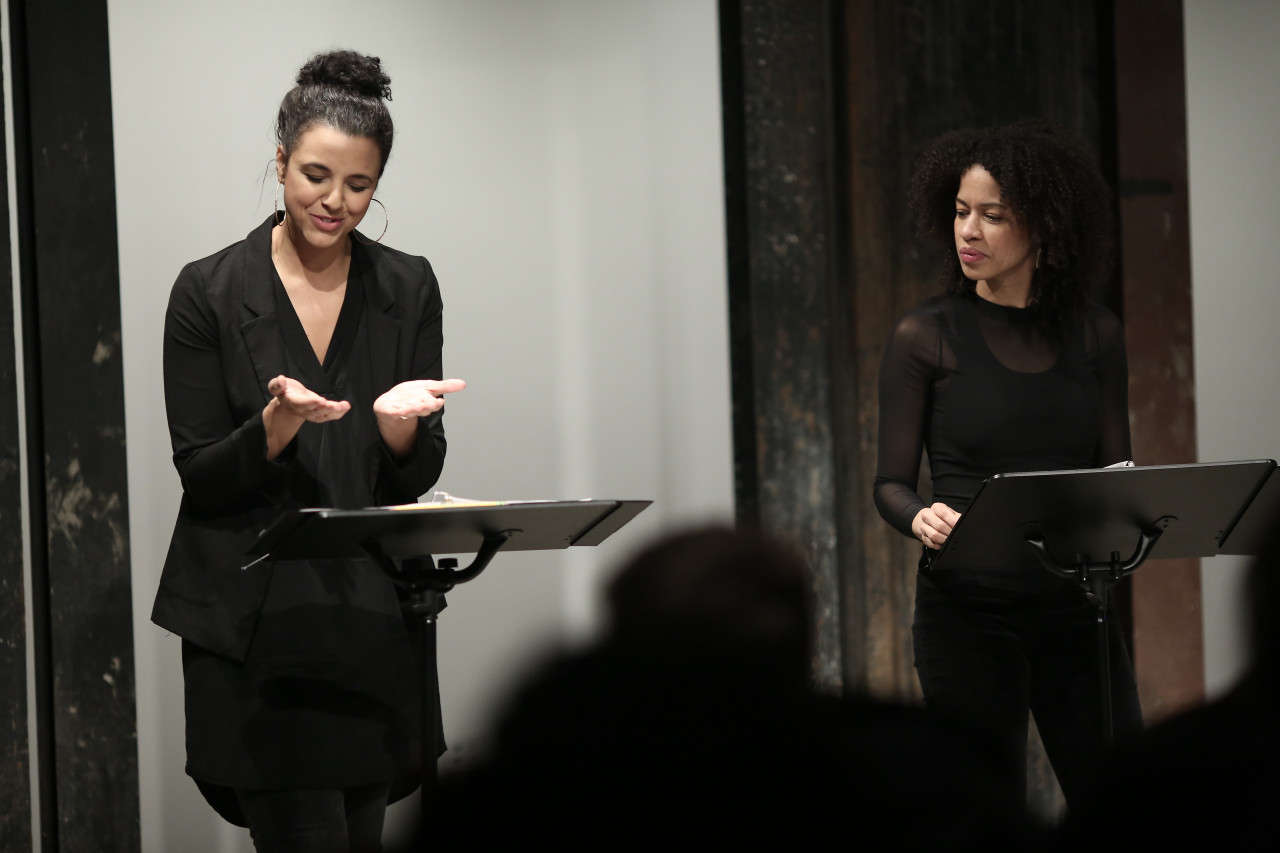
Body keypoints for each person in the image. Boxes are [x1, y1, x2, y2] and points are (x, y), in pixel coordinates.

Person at [151, 49, 464, 851]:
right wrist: (274, 428)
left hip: (372, 617)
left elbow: (419, 471)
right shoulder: (208, 291)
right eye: (316, 176)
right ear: (281, 160)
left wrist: (399, 429)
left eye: (359, 185)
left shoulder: (408, 287)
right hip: (259, 627)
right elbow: (202, 475)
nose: (335, 201)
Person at [873, 119, 1142, 810]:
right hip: (967, 608)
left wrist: (1129, 505)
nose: (969, 231)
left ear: (1045, 226)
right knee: (980, 812)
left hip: (1076, 606)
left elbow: (1116, 470)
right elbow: (890, 484)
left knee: (1126, 802)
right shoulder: (925, 335)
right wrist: (919, 517)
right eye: (962, 211)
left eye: (992, 216)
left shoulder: (1096, 333)